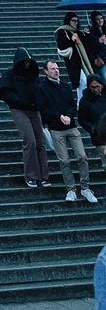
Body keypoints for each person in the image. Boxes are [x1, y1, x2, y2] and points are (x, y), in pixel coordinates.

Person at [36, 60, 97, 203]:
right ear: (46, 71)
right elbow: (43, 108)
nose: (56, 71)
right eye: (52, 69)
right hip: (56, 128)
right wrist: (59, 116)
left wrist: (69, 116)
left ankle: (85, 187)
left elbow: (72, 104)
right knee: (64, 160)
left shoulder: (65, 86)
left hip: (71, 126)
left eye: (57, 68)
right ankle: (71, 190)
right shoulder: (42, 88)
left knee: (82, 156)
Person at [0, 48, 49, 188]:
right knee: (30, 140)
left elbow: (40, 92)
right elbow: (3, 92)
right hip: (19, 109)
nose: (26, 64)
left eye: (28, 62)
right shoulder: (10, 74)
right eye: (24, 62)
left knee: (40, 142)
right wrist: (16, 100)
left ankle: (43, 175)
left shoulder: (33, 76)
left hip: (33, 109)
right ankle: (32, 175)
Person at [55, 13, 93, 98]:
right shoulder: (62, 31)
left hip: (84, 62)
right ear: (68, 21)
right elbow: (61, 45)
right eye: (73, 20)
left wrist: (87, 35)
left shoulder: (78, 32)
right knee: (82, 82)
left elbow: (88, 46)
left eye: (77, 21)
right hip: (74, 63)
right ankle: (80, 104)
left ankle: (82, 103)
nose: (76, 23)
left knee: (86, 82)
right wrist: (72, 40)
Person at [78, 75, 106, 177]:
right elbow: (82, 119)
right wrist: (93, 129)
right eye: (93, 87)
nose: (96, 89)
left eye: (98, 86)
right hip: (100, 137)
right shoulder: (85, 100)